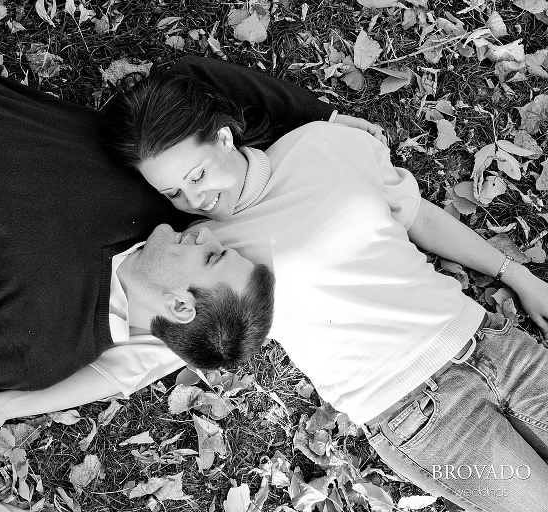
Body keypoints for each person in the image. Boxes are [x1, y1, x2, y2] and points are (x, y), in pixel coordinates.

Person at [0, 0, 382, 446]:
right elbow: (192, 82)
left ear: (179, 307)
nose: (208, 232)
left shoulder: (47, 347)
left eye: (212, 256)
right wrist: (322, 119)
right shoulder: (162, 200)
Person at [105, 73, 548, 512]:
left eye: (197, 175)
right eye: (173, 193)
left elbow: (420, 220)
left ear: (223, 137)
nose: (194, 199)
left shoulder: (322, 143)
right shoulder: (204, 249)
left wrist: (521, 278)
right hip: (417, 414)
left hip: (496, 345)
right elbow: (158, 339)